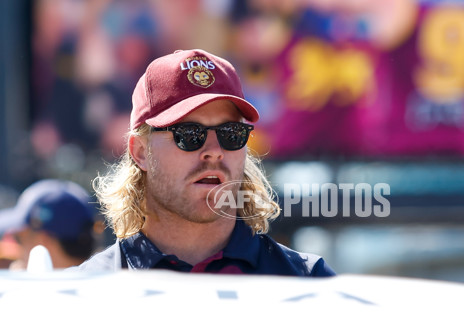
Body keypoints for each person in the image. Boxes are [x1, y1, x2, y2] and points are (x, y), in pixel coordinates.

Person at [75, 48, 335, 276]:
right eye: (190, 134)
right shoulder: (92, 292)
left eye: (231, 134)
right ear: (140, 152)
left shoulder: (307, 280)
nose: (214, 151)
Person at [0, 179, 98, 270]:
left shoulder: (29, 287)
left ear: (43, 242)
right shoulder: (108, 280)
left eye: (18, 239)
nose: (16, 254)